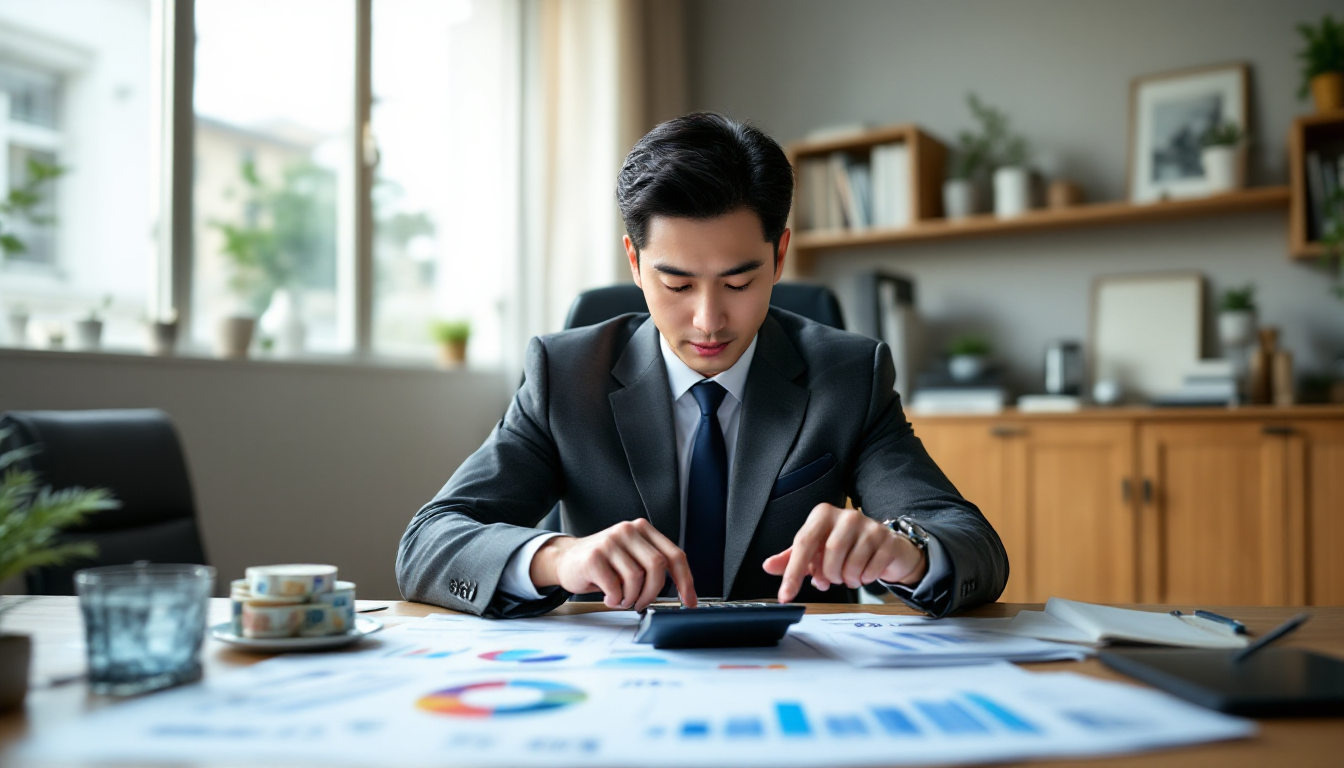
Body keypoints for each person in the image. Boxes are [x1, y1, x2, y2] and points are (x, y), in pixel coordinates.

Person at [397, 112, 1008, 619]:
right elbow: (428, 541)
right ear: (634, 262)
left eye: (739, 281)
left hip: (795, 676)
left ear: (780, 255)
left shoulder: (847, 374)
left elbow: (972, 543)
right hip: (616, 684)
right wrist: (559, 558)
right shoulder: (565, 375)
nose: (709, 320)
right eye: (678, 284)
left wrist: (908, 551)